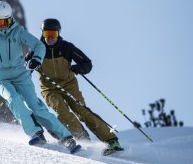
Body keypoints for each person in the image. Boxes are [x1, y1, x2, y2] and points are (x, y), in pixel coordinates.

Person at [0, 1, 80, 153]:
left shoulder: (18, 32)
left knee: (35, 106)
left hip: (21, 76)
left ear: (11, 19)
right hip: (0, 78)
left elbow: (39, 46)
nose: (3, 25)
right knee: (14, 99)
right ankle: (36, 133)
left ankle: (66, 137)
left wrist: (36, 60)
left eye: (6, 21)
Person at [26, 18, 123, 155]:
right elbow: (25, 66)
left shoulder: (66, 47)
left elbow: (87, 63)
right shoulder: (38, 49)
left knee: (82, 111)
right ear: (42, 33)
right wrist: (27, 67)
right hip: (49, 88)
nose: (50, 37)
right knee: (62, 111)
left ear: (59, 33)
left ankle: (112, 140)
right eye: (47, 34)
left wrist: (78, 68)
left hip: (68, 85)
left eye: (54, 34)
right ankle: (83, 139)